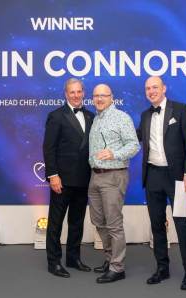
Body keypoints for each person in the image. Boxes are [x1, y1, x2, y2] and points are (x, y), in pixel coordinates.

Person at [136, 76, 186, 290]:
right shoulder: (144, 115)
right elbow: (133, 138)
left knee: (182, 223)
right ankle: (162, 268)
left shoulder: (181, 110)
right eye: (147, 88)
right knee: (157, 224)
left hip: (178, 177)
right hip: (152, 175)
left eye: (155, 87)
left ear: (164, 88)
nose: (151, 91)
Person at [43, 78, 95, 278]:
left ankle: (73, 258)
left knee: (77, 222)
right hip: (61, 181)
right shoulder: (56, 116)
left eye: (79, 91)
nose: (76, 95)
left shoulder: (91, 116)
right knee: (55, 223)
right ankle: (53, 262)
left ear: (83, 93)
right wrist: (53, 175)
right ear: (66, 94)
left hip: (84, 179)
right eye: (72, 92)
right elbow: (49, 149)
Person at [88, 84, 140, 283]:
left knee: (113, 224)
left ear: (112, 97)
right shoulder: (96, 119)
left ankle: (118, 268)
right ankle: (109, 259)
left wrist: (114, 153)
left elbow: (134, 145)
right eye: (96, 96)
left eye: (104, 95)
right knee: (99, 222)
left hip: (113, 175)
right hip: (95, 176)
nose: (99, 99)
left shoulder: (121, 118)